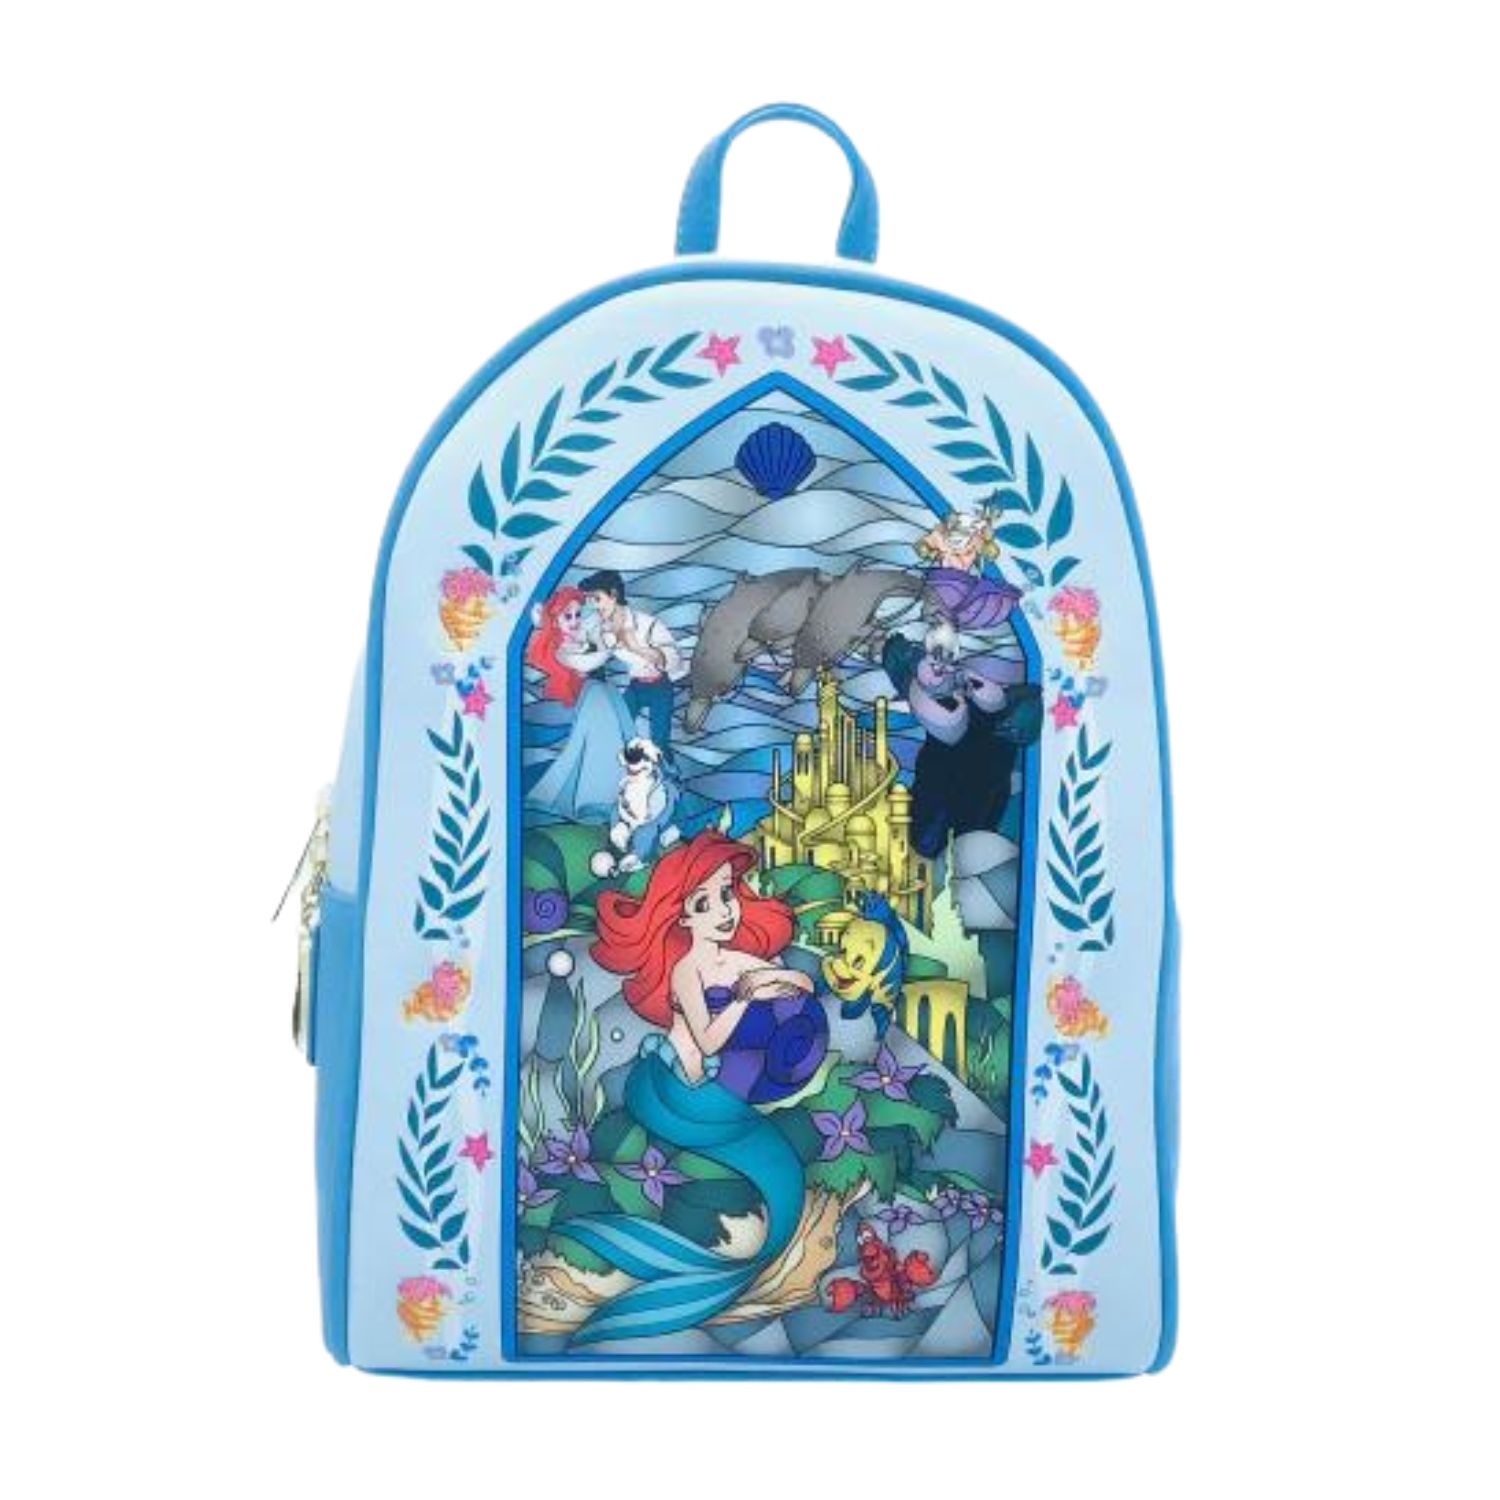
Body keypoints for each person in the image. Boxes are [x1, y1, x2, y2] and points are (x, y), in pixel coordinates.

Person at [554, 832, 820, 1346]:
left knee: (779, 1168)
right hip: (685, 1092)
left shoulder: (736, 959)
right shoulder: (687, 971)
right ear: (681, 916)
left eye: (727, 893)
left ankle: (736, 1259)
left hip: (726, 1090)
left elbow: (803, 985)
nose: (723, 911)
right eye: (704, 903)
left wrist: (772, 983)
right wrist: (744, 1001)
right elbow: (709, 1037)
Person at [523, 586, 635, 820]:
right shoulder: (558, 645)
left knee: (609, 719)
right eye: (568, 616)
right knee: (598, 727)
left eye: (577, 615)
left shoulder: (581, 634)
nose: (574, 621)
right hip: (581, 696)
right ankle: (595, 797)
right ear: (555, 619)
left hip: (594, 690)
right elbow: (575, 666)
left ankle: (611, 791)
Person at [578, 569, 685, 754]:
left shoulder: (648, 624)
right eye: (590, 600)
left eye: (597, 599)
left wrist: (637, 648)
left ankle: (665, 769)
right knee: (617, 729)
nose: (594, 606)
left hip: (660, 686)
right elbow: (592, 652)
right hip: (636, 686)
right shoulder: (603, 630)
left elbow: (674, 661)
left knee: (659, 743)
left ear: (613, 595)